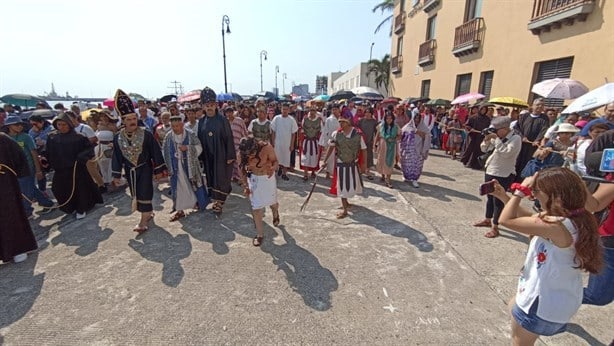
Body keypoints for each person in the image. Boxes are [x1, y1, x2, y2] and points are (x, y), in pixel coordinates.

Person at [488, 168, 603, 345]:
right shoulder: (575, 216)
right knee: (513, 306)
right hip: (559, 298)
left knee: (519, 341)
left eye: (536, 191)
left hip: (540, 305)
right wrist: (504, 197)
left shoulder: (557, 225)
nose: (533, 196)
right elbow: (529, 219)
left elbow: (506, 221)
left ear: (556, 195)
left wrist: (520, 191)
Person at [111, 89, 166, 232]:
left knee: (145, 191)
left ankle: (143, 220)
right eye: (128, 120)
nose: (132, 122)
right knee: (136, 193)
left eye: (134, 119)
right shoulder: (118, 137)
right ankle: (148, 212)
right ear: (123, 121)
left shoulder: (145, 134)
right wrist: (116, 175)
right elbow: (116, 156)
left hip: (145, 168)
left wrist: (159, 170)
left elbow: (155, 151)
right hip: (130, 171)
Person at [46, 113, 103, 219]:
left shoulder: (78, 137)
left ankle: (81, 208)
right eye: (59, 125)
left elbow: (89, 149)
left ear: (69, 125)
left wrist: (81, 156)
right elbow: (49, 152)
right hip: (60, 169)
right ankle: (69, 207)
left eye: (64, 124)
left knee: (79, 190)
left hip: (76, 169)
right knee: (57, 189)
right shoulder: (52, 137)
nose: (62, 127)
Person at [473, 116, 521, 238]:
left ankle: (495, 227)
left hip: (504, 173)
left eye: (496, 130)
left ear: (505, 129)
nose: (494, 132)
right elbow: (484, 149)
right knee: (489, 197)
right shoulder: (497, 137)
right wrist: (487, 139)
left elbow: (506, 153)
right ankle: (487, 219)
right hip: (491, 170)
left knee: (498, 201)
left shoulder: (516, 139)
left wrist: (496, 139)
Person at [3, 116, 55, 217]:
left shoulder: (26, 137)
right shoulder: (6, 138)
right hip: (14, 168)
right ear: (9, 126)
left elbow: (34, 153)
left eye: (20, 124)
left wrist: (38, 170)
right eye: (16, 125)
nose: (19, 126)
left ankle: (27, 211)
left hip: (28, 167)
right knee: (29, 188)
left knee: (26, 191)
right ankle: (47, 203)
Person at [0, 133, 39, 263]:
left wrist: (18, 177)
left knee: (11, 215)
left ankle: (19, 249)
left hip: (5, 186)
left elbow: (19, 157)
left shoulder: (3, 139)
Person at [162, 115, 209, 221]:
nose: (175, 128)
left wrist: (187, 148)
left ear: (182, 124)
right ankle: (179, 210)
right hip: (175, 168)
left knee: (193, 185)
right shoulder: (168, 137)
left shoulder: (190, 134)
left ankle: (197, 204)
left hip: (190, 167)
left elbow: (199, 147)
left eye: (177, 126)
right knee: (178, 188)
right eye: (173, 126)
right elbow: (164, 151)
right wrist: (168, 166)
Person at [197, 87, 236, 214]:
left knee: (221, 178)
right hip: (208, 156)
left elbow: (229, 138)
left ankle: (219, 203)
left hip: (221, 155)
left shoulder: (222, 120)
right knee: (211, 178)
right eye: (207, 105)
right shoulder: (201, 121)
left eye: (212, 105)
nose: (209, 107)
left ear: (216, 106)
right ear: (203, 106)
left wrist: (230, 155)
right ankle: (215, 200)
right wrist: (200, 157)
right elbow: (199, 140)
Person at [321, 117, 367, 219]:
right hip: (341, 163)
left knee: (349, 185)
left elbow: (364, 149)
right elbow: (331, 147)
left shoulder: (358, 135)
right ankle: (345, 209)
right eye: (340, 121)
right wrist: (325, 160)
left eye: (344, 122)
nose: (341, 123)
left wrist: (364, 164)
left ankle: (346, 203)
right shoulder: (336, 134)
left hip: (352, 164)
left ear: (349, 122)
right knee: (342, 186)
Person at [238, 136, 280, 247]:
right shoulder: (242, 154)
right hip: (254, 180)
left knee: (273, 203)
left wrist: (273, 168)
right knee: (256, 209)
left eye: (252, 153)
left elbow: (275, 162)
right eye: (248, 154)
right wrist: (246, 186)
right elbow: (242, 171)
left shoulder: (267, 148)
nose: (250, 156)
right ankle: (260, 235)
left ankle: (275, 212)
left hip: (267, 178)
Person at [514, 98, 550, 181]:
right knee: (517, 162)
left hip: (533, 146)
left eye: (542, 105)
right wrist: (522, 137)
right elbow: (516, 128)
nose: (540, 107)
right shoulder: (524, 116)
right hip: (521, 144)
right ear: (533, 106)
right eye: (538, 105)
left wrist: (537, 140)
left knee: (528, 163)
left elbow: (544, 130)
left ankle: (522, 182)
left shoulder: (544, 119)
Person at [400, 113, 431, 188]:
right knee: (406, 164)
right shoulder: (408, 126)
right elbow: (401, 134)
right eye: (415, 118)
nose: (417, 120)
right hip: (408, 150)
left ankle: (415, 179)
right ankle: (406, 177)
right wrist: (414, 132)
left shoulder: (424, 128)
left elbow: (428, 136)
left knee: (417, 166)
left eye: (418, 119)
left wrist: (422, 134)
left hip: (418, 150)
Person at [270, 103, 298, 181]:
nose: (284, 111)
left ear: (288, 110)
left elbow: (293, 133)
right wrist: (273, 142)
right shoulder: (276, 118)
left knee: (286, 158)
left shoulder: (291, 120)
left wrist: (292, 144)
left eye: (286, 109)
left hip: (287, 142)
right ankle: (276, 172)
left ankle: (284, 173)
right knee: (276, 158)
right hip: (277, 142)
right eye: (283, 109)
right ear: (281, 109)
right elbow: (273, 131)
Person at [28, 115, 54, 192]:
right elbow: (31, 142)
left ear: (42, 122)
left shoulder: (51, 129)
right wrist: (35, 133)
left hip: (52, 153)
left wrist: (44, 143)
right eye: (32, 124)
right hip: (40, 155)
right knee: (40, 173)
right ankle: (42, 190)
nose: (33, 126)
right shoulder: (31, 131)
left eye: (35, 124)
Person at [461, 105, 491, 169]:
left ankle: (477, 165)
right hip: (473, 136)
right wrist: (471, 129)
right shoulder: (473, 117)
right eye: (482, 109)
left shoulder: (487, 119)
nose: (483, 111)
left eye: (484, 110)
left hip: (481, 137)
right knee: (471, 149)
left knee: (479, 150)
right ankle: (468, 162)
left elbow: (489, 127)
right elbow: (467, 125)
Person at [374, 112, 400, 188]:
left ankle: (388, 179)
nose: (389, 120)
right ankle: (382, 175)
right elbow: (377, 135)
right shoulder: (381, 126)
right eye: (387, 118)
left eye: (390, 118)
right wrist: (375, 145)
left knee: (390, 161)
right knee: (381, 160)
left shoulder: (396, 127)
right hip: (382, 145)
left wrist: (395, 139)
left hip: (391, 146)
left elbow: (400, 135)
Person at [319, 104, 341, 179]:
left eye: (336, 109)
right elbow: (326, 131)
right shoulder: (329, 119)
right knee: (329, 157)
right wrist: (325, 142)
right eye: (333, 109)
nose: (334, 111)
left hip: (340, 141)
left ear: (339, 110)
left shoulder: (341, 119)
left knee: (337, 158)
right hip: (330, 140)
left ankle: (336, 172)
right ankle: (328, 172)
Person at [226, 106, 248, 183]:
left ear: (233, 113)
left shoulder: (239, 121)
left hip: (239, 145)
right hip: (230, 146)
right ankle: (234, 177)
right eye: (227, 113)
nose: (229, 114)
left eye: (230, 112)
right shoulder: (225, 122)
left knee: (240, 163)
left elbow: (244, 131)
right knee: (232, 162)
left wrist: (245, 142)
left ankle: (241, 179)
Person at [300, 107, 322, 181]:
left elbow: (321, 131)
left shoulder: (319, 120)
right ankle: (305, 174)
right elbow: (302, 130)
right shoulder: (305, 119)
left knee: (314, 157)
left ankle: (313, 171)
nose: (312, 112)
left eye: (314, 110)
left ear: (316, 111)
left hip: (315, 141)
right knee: (305, 157)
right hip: (306, 141)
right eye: (311, 110)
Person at [357, 107, 378, 180]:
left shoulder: (374, 122)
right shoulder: (361, 121)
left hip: (369, 141)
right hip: (361, 141)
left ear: (371, 113)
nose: (367, 114)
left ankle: (367, 171)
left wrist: (375, 142)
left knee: (369, 156)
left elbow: (376, 132)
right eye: (366, 112)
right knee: (360, 156)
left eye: (369, 112)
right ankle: (360, 170)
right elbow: (357, 130)